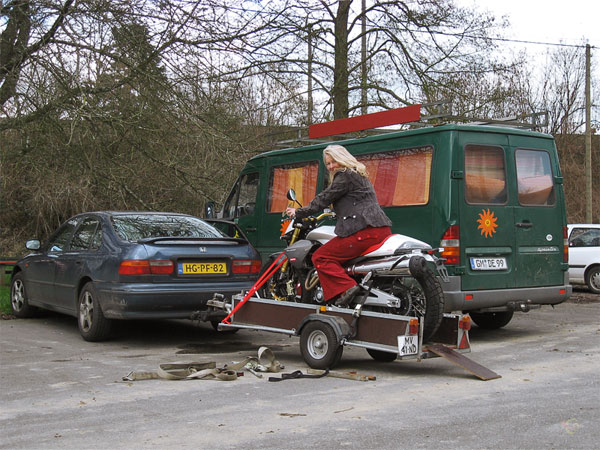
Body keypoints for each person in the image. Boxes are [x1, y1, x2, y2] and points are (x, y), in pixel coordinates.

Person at [285, 144, 392, 306]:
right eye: (328, 164)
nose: (331, 166)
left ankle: (348, 287)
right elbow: (355, 201)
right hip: (379, 228)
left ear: (342, 158)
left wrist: (298, 212)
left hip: (364, 231)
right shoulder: (359, 175)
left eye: (333, 161)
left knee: (320, 257)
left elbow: (324, 198)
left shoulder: (345, 175)